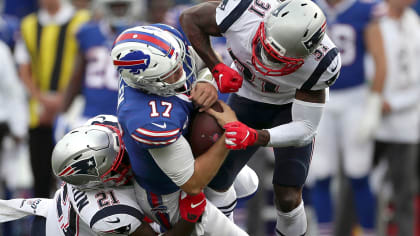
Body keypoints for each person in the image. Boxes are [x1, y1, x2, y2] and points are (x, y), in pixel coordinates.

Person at [180, 0, 341, 235]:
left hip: (289, 108)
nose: (266, 59)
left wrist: (257, 136)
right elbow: (189, 18)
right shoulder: (243, 12)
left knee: (287, 196)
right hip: (245, 97)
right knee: (216, 181)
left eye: (278, 58)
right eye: (265, 47)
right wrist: (217, 66)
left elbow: (306, 127)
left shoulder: (321, 63)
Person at [112, 24, 250, 235]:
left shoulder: (166, 45)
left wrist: (207, 82)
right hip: (167, 193)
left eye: (178, 63)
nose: (181, 70)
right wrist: (229, 133)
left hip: (190, 150)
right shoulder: (149, 120)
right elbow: (192, 184)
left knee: (248, 184)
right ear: (148, 83)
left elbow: (206, 63)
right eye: (172, 73)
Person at [0, 116, 206, 236]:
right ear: (98, 183)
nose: (129, 159)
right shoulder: (108, 210)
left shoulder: (102, 124)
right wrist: (191, 216)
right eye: (120, 165)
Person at [305, 0, 387, 235]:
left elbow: (381, 62)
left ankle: (369, 231)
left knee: (359, 171)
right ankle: (324, 231)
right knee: (320, 172)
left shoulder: (364, 9)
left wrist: (374, 104)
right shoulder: (310, 8)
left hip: (355, 98)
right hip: (319, 98)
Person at [14, 0, 90, 197]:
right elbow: (24, 69)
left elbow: (85, 66)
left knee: (75, 180)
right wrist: (42, 99)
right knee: (40, 179)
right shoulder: (29, 24)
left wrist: (62, 101)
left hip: (74, 110)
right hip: (38, 112)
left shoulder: (82, 20)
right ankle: (41, 226)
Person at [55, 0, 143, 141]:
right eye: (114, 6)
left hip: (127, 118)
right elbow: (76, 76)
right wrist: (63, 112)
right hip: (91, 115)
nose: (119, 11)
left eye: (123, 6)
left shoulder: (142, 34)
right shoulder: (87, 32)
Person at [373, 0, 420, 235]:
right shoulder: (373, 20)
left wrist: (394, 103)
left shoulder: (415, 25)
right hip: (370, 121)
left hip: (405, 125)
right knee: (356, 185)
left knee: (405, 194)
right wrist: (373, 101)